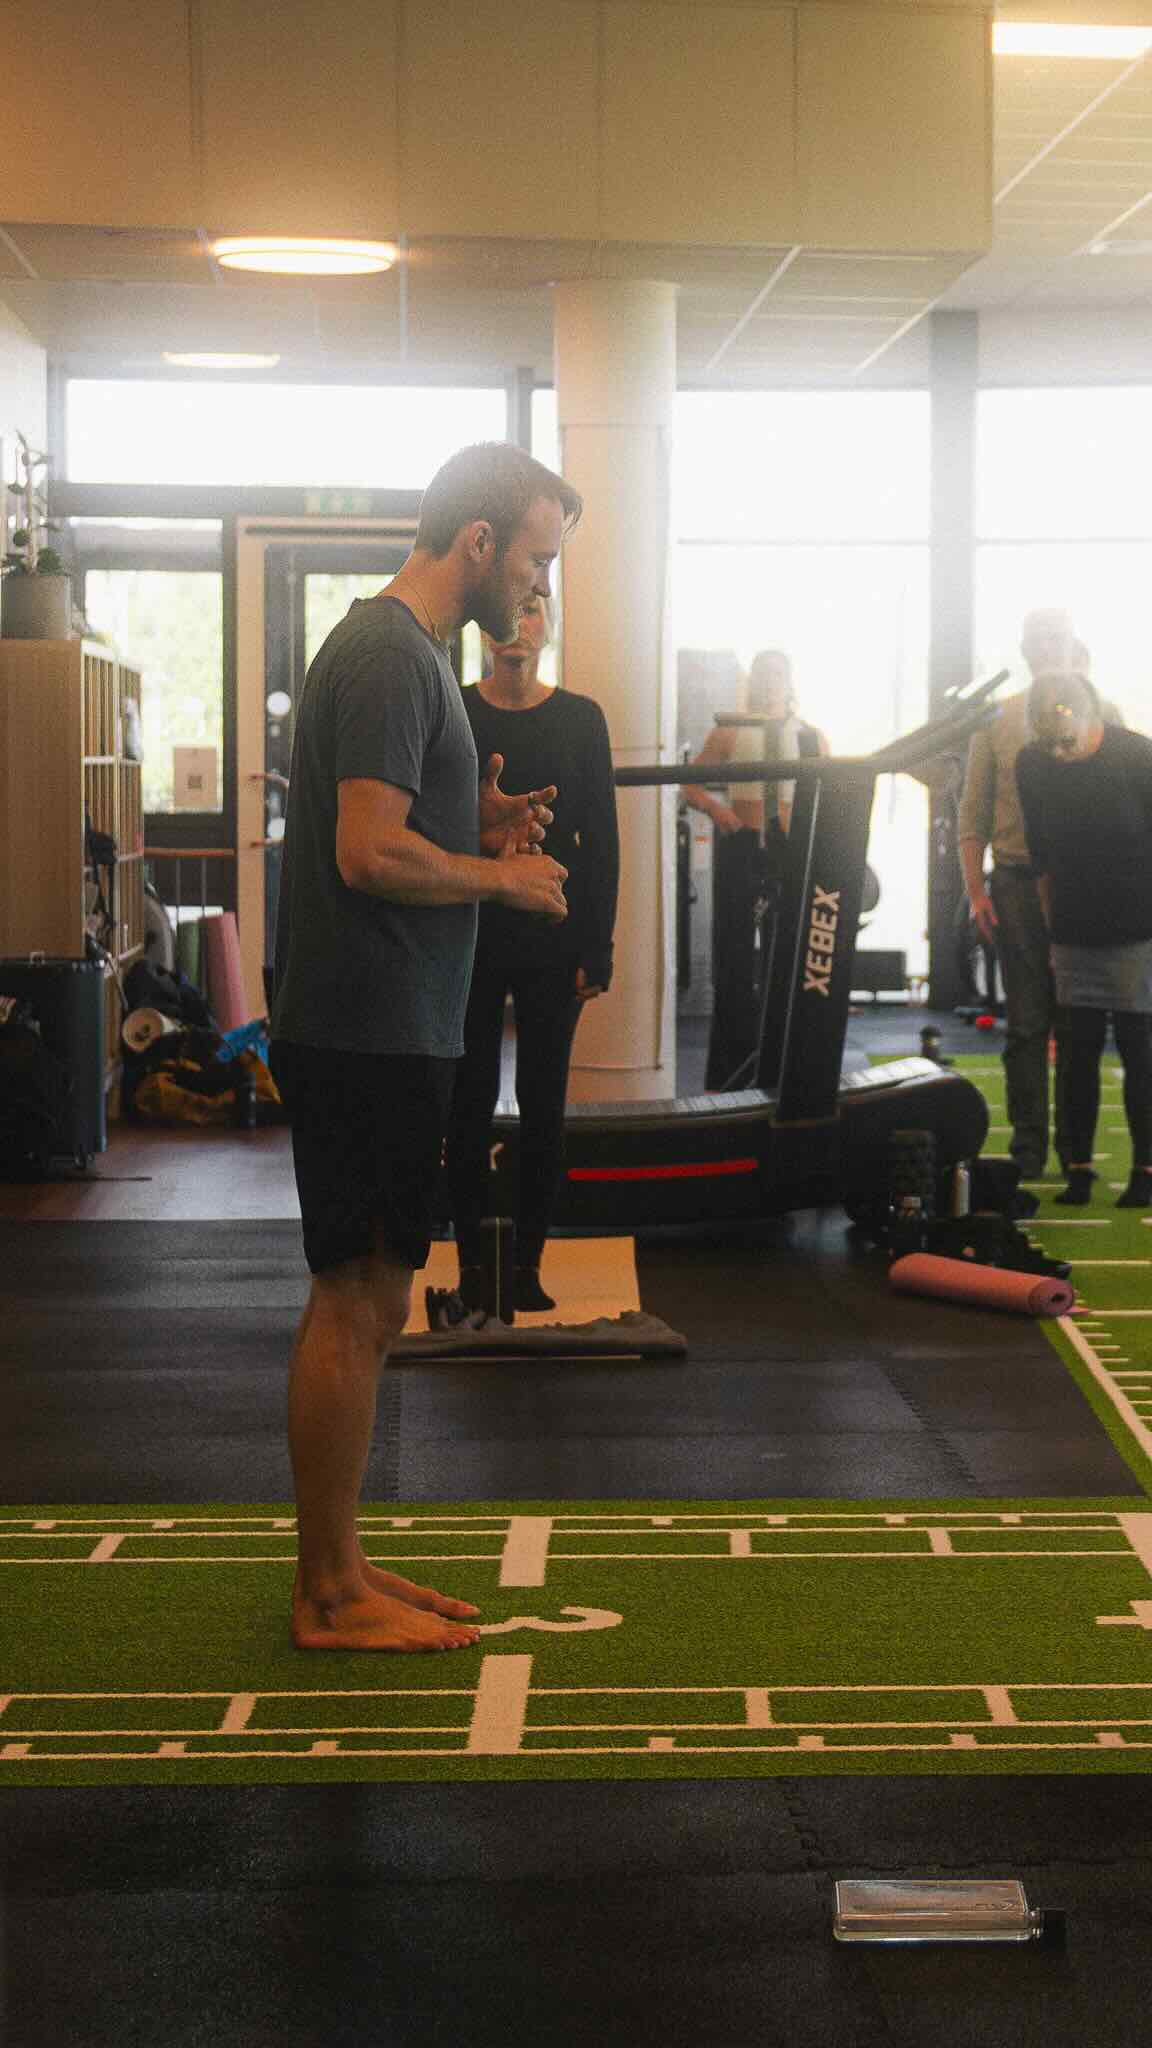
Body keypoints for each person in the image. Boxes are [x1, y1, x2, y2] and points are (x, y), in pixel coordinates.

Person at [270, 441, 581, 1652]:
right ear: (480, 542)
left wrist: (474, 819)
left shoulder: (413, 657)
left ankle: (341, 1561)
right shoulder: (394, 657)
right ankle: (326, 1592)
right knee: (354, 1298)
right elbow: (366, 851)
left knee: (379, 1295)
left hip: (391, 1025)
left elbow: (400, 823)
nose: (540, 586)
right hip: (365, 1029)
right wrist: (500, 877)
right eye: (537, 558)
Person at [444, 594, 619, 1311]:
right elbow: (429, 823)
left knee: (544, 1102)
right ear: (485, 630)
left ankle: (526, 1266)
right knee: (467, 1100)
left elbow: (601, 841)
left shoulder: (580, 718)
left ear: (550, 630)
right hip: (472, 928)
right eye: (508, 614)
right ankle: (471, 1266)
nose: (517, 628)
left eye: (534, 614)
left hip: (553, 930)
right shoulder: (456, 709)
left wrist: (597, 947)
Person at [958, 607, 1122, 1179]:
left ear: (1074, 645)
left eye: (1058, 638)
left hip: (1085, 887)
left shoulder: (1106, 715)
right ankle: (1028, 1153)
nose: (1050, 647)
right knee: (1027, 1025)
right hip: (1016, 884)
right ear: (1026, 651)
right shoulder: (997, 720)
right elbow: (973, 812)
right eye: (1040, 640)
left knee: (1080, 1026)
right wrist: (975, 891)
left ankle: (1075, 1153)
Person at [1016, 672, 1152, 1208]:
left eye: (1067, 744)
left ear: (1092, 715)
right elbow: (1040, 854)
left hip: (1139, 925)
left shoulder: (1138, 756)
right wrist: (1052, 932)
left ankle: (1146, 1170)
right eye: (1049, 744)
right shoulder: (1032, 763)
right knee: (1075, 1055)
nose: (1059, 755)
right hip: (1073, 925)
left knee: (1141, 1053)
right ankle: (1078, 1169)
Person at [681, 649, 828, 1090]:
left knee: (789, 953)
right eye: (762, 674)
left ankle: (785, 1066)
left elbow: (829, 793)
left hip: (790, 852)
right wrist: (717, 811)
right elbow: (688, 784)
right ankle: (726, 1075)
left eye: (777, 674)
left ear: (789, 680)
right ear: (752, 681)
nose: (769, 682)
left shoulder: (809, 737)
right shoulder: (729, 731)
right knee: (735, 959)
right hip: (742, 846)